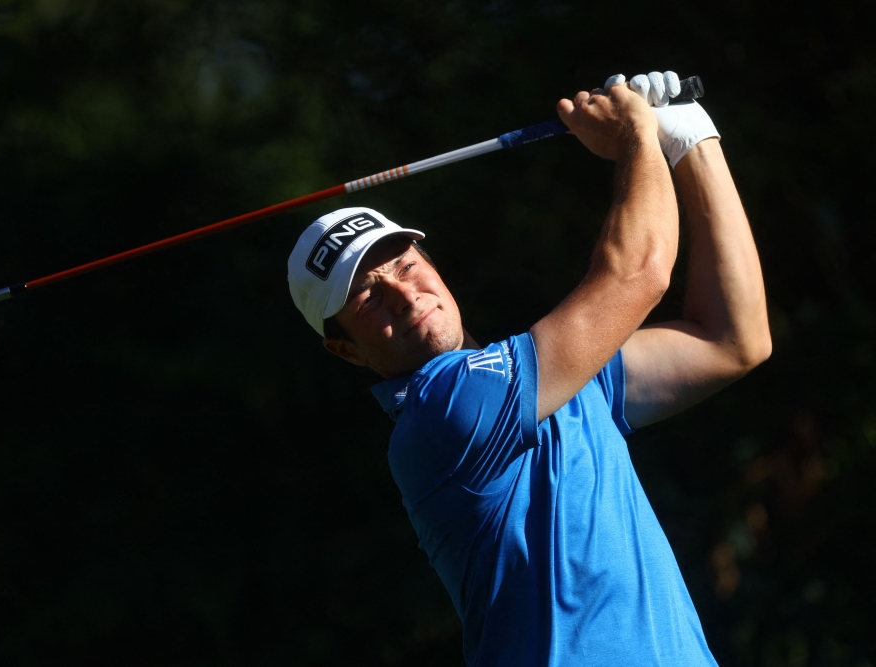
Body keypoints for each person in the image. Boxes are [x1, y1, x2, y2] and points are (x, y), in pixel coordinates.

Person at [286, 71, 770, 666]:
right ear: (347, 351)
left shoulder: (559, 377)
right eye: (366, 296)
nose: (404, 295)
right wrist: (638, 135)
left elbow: (732, 339)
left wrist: (692, 140)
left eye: (405, 266)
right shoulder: (442, 413)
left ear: (434, 267)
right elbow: (638, 274)